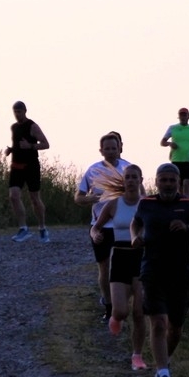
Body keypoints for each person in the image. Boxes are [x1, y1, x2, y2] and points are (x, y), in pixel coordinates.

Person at [130, 163, 189, 377]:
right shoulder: (146, 203)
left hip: (180, 273)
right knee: (158, 323)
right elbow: (136, 222)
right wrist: (135, 237)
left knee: (175, 328)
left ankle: (163, 364)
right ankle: (164, 373)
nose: (167, 184)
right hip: (152, 270)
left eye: (171, 181)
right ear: (156, 182)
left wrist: (188, 229)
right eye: (163, 180)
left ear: (178, 183)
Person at [90, 164, 149, 370]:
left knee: (140, 312)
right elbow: (95, 227)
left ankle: (137, 356)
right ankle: (115, 316)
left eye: (135, 177)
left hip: (142, 258)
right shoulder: (115, 204)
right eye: (128, 177)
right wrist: (96, 235)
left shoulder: (148, 204)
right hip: (120, 257)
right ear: (123, 181)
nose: (131, 180)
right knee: (122, 311)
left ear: (141, 180)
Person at [74, 132, 130, 321]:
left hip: (124, 225)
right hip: (100, 226)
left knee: (125, 268)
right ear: (101, 150)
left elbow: (140, 194)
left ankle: (123, 301)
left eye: (114, 148)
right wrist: (93, 198)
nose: (111, 151)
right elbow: (78, 197)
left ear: (120, 148)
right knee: (104, 268)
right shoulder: (93, 171)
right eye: (107, 148)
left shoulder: (128, 168)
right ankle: (108, 305)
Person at [6, 101, 50, 243]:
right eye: (15, 112)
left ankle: (42, 229)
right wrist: (11, 150)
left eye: (19, 111)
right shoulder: (14, 127)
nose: (17, 114)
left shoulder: (32, 126)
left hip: (31, 166)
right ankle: (23, 229)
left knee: (34, 199)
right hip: (16, 166)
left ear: (25, 111)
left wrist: (30, 146)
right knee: (13, 196)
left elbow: (46, 144)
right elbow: (17, 144)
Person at [160, 107, 189, 196]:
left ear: (188, 116)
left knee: (187, 185)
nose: (183, 117)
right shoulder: (173, 128)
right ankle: (182, 205)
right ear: (178, 117)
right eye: (181, 115)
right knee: (179, 189)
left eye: (184, 115)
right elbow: (162, 142)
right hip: (176, 161)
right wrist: (170, 143)